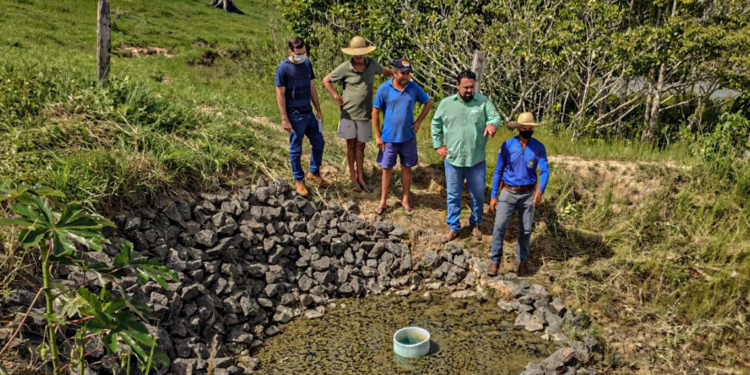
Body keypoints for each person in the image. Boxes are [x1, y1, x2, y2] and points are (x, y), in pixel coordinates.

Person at [431, 70, 501, 243]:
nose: (469, 90)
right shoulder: (446, 104)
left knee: (477, 194)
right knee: (453, 195)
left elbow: (495, 117)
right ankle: (453, 228)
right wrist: (438, 145)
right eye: (466, 87)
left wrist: (492, 124)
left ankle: (475, 224)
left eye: (472, 87)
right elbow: (436, 123)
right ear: (457, 86)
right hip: (453, 159)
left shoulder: (482, 102)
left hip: (476, 159)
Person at [322, 36, 393, 193]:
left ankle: (361, 176)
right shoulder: (345, 67)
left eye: (361, 52)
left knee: (361, 145)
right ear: (352, 53)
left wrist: (397, 74)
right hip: (348, 113)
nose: (359, 56)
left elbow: (384, 71)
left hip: (365, 114)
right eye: (356, 53)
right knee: (351, 145)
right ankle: (353, 177)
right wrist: (336, 96)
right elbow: (326, 80)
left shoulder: (372, 64)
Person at [487, 112, 549, 277]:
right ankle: (495, 261)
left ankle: (521, 261)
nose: (527, 130)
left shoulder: (538, 147)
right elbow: (498, 170)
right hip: (508, 191)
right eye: (524, 128)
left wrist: (540, 190)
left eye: (530, 128)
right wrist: (493, 196)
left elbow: (544, 170)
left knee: (526, 230)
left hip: (528, 193)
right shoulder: (507, 145)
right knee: (499, 226)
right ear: (519, 128)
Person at [372, 58, 433, 215]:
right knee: (387, 169)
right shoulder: (384, 89)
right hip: (389, 138)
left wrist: (418, 121)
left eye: (408, 73)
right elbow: (375, 112)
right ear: (394, 72)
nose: (406, 76)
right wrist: (378, 136)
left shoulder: (413, 88)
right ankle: (383, 201)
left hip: (408, 137)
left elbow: (428, 102)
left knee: (406, 168)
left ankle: (405, 199)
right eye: (403, 73)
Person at [274, 36, 329, 197]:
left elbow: (312, 86)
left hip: (308, 113)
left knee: (319, 142)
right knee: (296, 149)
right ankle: (299, 180)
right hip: (294, 115)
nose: (301, 55)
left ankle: (314, 172)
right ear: (290, 51)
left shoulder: (307, 64)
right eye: (298, 53)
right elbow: (280, 94)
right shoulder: (283, 69)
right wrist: (284, 118)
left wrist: (318, 109)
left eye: (303, 52)